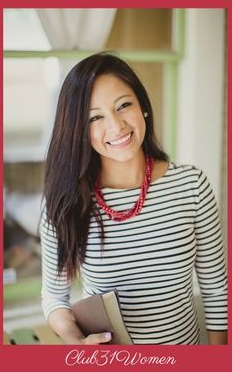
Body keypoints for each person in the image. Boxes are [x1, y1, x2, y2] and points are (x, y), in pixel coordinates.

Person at [40, 52, 227, 345]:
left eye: (123, 105)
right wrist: (76, 341)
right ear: (79, 130)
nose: (116, 126)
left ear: (143, 107)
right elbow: (54, 296)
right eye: (95, 117)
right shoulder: (65, 202)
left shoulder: (192, 186)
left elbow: (216, 288)